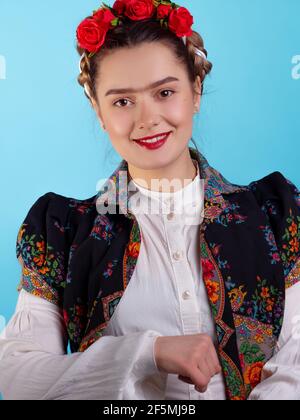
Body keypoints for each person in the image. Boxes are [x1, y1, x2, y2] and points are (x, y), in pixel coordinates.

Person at [1, 0, 300, 400]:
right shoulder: (62, 231)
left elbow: (295, 361)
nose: (147, 119)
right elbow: (18, 377)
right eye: (122, 101)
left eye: (164, 92)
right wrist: (148, 352)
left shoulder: (274, 213)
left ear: (195, 90)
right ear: (98, 110)